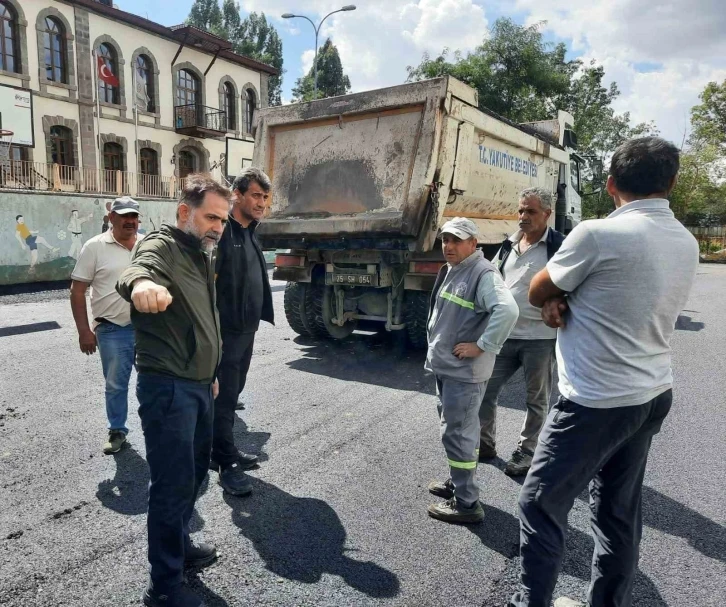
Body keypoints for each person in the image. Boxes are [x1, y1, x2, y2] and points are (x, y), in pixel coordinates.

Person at [509, 137, 699, 607]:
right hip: (652, 392)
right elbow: (620, 297)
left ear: (611, 184)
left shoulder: (596, 234)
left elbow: (536, 289)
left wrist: (557, 298)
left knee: (539, 504)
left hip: (595, 400)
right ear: (671, 183)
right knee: (616, 513)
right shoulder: (686, 240)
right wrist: (566, 299)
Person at [116, 174, 231, 607]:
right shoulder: (161, 245)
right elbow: (136, 272)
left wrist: (211, 371)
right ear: (185, 212)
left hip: (199, 384)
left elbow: (203, 318)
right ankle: (163, 588)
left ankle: (181, 547)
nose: (218, 226)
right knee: (171, 485)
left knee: (196, 474)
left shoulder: (201, 252)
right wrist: (143, 286)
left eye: (222, 219)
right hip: (168, 388)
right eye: (211, 217)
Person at [425, 217, 519, 524]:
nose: (449, 246)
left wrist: (482, 345)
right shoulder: (456, 269)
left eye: (456, 240)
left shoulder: (481, 273)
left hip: (464, 372)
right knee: (459, 432)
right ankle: (459, 481)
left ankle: (466, 503)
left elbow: (507, 309)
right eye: (445, 240)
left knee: (458, 434)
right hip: (450, 368)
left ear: (473, 244)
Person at [479, 187, 565, 476]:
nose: (523, 216)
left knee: (536, 399)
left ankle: (527, 450)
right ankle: (484, 443)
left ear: (547, 214)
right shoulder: (508, 245)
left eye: (530, 211)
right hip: (504, 335)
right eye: (520, 210)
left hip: (540, 338)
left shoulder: (560, 247)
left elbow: (575, 285)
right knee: (485, 389)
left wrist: (558, 302)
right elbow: (492, 280)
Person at [211, 167, 274, 496]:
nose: (262, 202)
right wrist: (214, 334)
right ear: (237, 195)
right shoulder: (223, 233)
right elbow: (208, 287)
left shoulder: (251, 231)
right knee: (223, 398)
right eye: (255, 195)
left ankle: (220, 450)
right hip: (225, 335)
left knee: (232, 395)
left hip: (246, 332)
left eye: (265, 196)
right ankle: (225, 463)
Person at [70, 196, 141, 454]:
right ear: (111, 218)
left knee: (155, 381)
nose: (130, 221)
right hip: (112, 329)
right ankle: (117, 430)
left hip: (149, 329)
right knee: (116, 384)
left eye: (133, 216)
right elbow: (77, 291)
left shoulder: (147, 245)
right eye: (124, 216)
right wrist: (84, 331)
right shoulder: (94, 247)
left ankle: (158, 428)